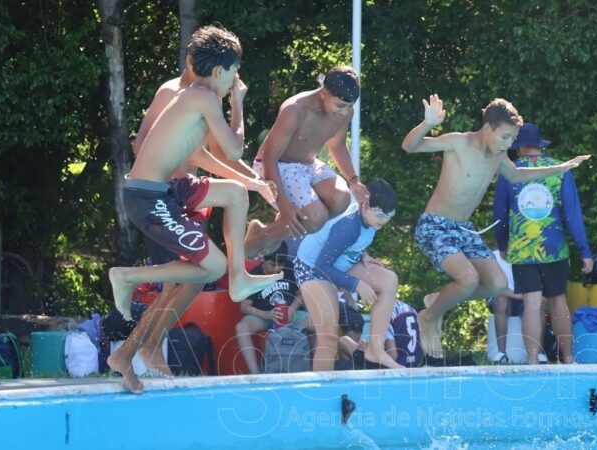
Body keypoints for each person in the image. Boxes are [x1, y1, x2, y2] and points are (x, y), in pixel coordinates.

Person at [107, 25, 283, 393]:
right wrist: (237, 104)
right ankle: (127, 277)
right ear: (220, 71)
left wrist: (252, 183)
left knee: (235, 194)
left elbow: (199, 155)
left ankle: (236, 278)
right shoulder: (201, 97)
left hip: (169, 191)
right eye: (234, 73)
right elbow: (232, 151)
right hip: (152, 197)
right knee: (204, 269)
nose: (236, 80)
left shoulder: (193, 96)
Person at [402, 94, 590, 358]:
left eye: (513, 139)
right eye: (506, 137)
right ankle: (429, 316)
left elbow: (516, 175)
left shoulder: (498, 156)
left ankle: (438, 300)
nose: (510, 144)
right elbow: (410, 146)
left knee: (496, 284)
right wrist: (427, 124)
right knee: (468, 279)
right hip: (435, 226)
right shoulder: (459, 142)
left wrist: (559, 169)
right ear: (488, 128)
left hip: (463, 229)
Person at [493, 123, 594, 364]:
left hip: (522, 248)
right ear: (538, 145)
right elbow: (572, 213)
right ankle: (568, 358)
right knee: (558, 301)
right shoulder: (559, 169)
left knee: (531, 302)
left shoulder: (509, 171)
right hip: (554, 248)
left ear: (520, 147)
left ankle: (532, 360)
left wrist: (503, 244)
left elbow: (500, 214)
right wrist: (585, 251)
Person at [245, 66, 368, 258]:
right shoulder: (296, 110)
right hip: (274, 167)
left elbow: (337, 145)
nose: (344, 113)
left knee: (342, 199)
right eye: (340, 106)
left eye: (349, 106)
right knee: (314, 219)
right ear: (324, 92)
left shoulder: (345, 111)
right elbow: (269, 157)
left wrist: (353, 180)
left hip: (308, 165)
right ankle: (261, 237)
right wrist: (284, 205)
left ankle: (278, 231)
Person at [294, 179, 403, 370]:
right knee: (328, 337)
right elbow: (323, 265)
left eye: (389, 216)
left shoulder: (371, 220)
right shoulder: (348, 226)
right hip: (313, 269)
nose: (383, 220)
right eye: (379, 214)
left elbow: (355, 241)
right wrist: (356, 285)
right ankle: (322, 395)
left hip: (340, 263)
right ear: (364, 204)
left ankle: (376, 350)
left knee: (388, 280)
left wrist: (363, 254)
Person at [235, 242, 307, 374]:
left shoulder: (290, 269)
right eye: (272, 264)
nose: (277, 268)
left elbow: (301, 294)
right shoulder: (254, 275)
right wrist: (266, 314)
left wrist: (292, 309)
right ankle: (256, 374)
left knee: (317, 324)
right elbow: (244, 307)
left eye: (280, 264)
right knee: (242, 327)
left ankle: (311, 370)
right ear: (263, 259)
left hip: (291, 314)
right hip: (265, 316)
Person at [339, 299, 423, 369]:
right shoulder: (411, 309)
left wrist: (367, 347)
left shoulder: (382, 312)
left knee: (343, 341)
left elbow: (393, 355)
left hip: (395, 367)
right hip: (415, 364)